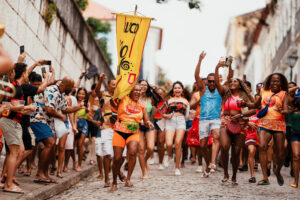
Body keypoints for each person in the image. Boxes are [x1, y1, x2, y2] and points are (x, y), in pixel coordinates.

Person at [214, 58, 255, 185]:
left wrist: (241, 115)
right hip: (226, 121)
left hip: (241, 122)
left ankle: (234, 175)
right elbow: (216, 82)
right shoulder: (225, 92)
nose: (232, 82)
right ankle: (226, 172)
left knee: (237, 151)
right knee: (225, 147)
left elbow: (253, 110)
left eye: (235, 81)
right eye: (230, 81)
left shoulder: (245, 96)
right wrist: (217, 68)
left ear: (240, 84)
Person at [247, 73, 288, 186]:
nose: (275, 83)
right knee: (262, 146)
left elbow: (286, 110)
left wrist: (282, 111)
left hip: (279, 125)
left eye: (277, 81)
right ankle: (265, 178)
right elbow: (255, 105)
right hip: (264, 124)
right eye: (273, 81)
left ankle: (278, 171)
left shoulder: (283, 94)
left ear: (281, 83)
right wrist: (245, 104)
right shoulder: (263, 92)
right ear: (269, 82)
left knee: (280, 153)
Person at [0, 63, 35, 193]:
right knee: (15, 152)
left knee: (19, 150)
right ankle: (8, 184)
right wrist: (28, 107)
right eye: (27, 72)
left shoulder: (16, 86)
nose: (28, 75)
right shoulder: (17, 88)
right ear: (24, 73)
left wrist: (26, 111)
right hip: (10, 122)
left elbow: (11, 106)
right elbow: (12, 107)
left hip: (12, 121)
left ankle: (6, 181)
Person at [111, 84, 154, 191]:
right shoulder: (123, 98)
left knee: (133, 153)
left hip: (133, 132)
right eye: (135, 90)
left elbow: (146, 119)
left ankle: (128, 179)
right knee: (117, 158)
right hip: (119, 131)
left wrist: (148, 123)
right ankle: (114, 181)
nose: (137, 92)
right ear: (130, 91)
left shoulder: (142, 104)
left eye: (139, 90)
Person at [194, 52, 229, 177]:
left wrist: (219, 67)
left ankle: (213, 161)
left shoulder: (220, 90)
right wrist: (200, 60)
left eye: (214, 81)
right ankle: (208, 164)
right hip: (203, 120)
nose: (212, 83)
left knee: (216, 136)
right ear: (206, 82)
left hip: (215, 119)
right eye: (210, 81)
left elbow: (228, 79)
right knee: (202, 146)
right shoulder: (203, 90)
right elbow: (196, 75)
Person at [160, 81, 190, 176]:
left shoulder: (186, 101)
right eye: (175, 88)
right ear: (173, 89)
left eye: (179, 88)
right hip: (170, 121)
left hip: (181, 121)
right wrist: (167, 116)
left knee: (178, 143)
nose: (177, 89)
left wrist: (182, 120)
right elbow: (162, 112)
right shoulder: (169, 100)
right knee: (168, 144)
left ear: (182, 89)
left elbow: (187, 116)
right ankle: (169, 156)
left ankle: (177, 167)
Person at [94, 73, 116, 187]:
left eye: (117, 84)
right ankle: (107, 179)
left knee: (118, 156)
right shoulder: (103, 95)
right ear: (108, 86)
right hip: (105, 128)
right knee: (107, 154)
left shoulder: (120, 96)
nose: (115, 86)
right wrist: (100, 79)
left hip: (118, 128)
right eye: (113, 84)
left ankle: (119, 173)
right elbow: (97, 90)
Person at [75, 87, 89, 172]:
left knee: (80, 145)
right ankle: (74, 163)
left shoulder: (87, 103)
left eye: (83, 94)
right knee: (73, 145)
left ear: (85, 95)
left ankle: (79, 165)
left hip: (83, 124)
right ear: (77, 94)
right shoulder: (74, 101)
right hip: (75, 123)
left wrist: (86, 108)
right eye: (79, 93)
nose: (81, 95)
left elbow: (89, 112)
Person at [290, 90, 300, 188]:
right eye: (298, 97)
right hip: (295, 134)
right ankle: (296, 181)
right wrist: (296, 87)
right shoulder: (292, 107)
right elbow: (286, 94)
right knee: (296, 156)